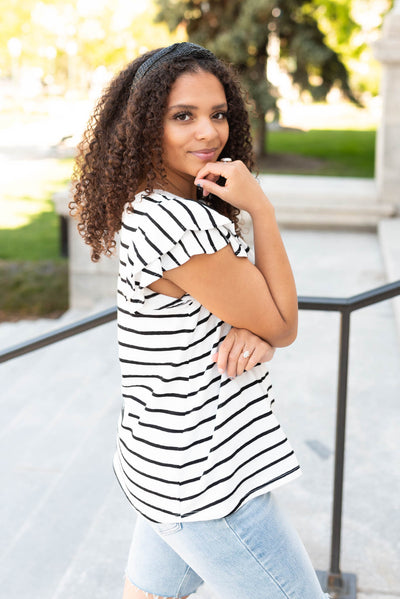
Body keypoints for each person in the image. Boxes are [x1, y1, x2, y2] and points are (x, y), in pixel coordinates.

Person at [71, 42, 328, 599]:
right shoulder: (174, 220)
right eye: (182, 116)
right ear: (144, 126)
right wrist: (262, 210)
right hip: (208, 482)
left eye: (217, 114)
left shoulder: (152, 203)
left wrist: (251, 327)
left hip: (164, 461)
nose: (208, 133)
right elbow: (284, 322)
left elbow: (253, 316)